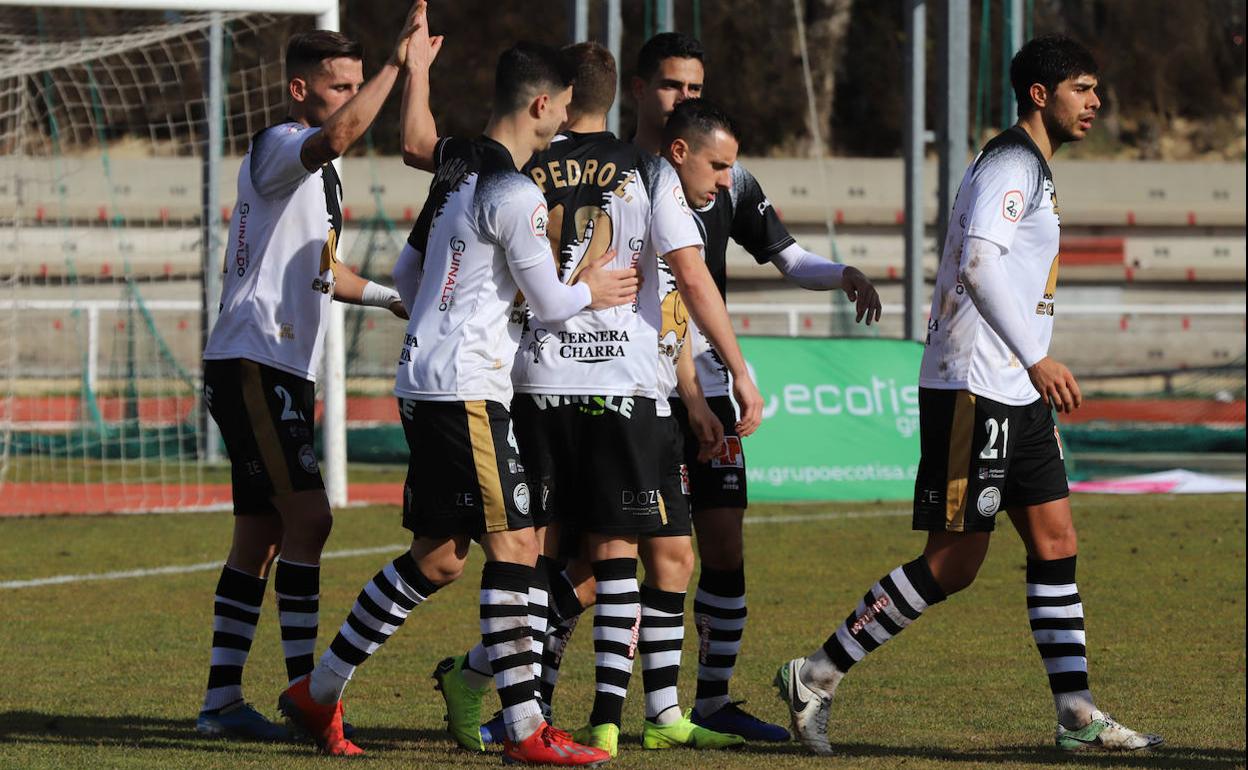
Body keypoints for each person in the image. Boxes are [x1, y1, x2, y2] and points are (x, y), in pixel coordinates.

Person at [774, 35, 1163, 756]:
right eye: (1084, 87)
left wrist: (1030, 369)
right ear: (1041, 95)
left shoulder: (1034, 169)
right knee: (954, 560)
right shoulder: (1010, 163)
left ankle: (1076, 715)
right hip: (973, 386)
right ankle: (817, 673)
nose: (1096, 101)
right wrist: (1037, 358)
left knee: (1057, 541)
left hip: (1014, 390)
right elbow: (979, 266)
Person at [277, 18, 636, 764]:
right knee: (515, 546)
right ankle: (525, 728)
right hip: (467, 389)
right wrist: (594, 288)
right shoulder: (513, 190)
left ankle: (319, 691)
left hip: (427, 379)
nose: (569, 121)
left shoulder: (459, 175)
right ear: (541, 107)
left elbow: (411, 276)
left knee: (439, 558)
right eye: (566, 107)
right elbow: (549, 302)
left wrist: (463, 301)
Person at [429, 42, 754, 758]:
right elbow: (690, 281)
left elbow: (426, 158)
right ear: (619, 93)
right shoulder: (647, 171)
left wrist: (413, 73)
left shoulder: (516, 163)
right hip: (619, 387)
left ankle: (566, 710)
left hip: (533, 382)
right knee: (616, 556)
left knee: (559, 560)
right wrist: (738, 371)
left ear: (557, 96)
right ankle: (588, 712)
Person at [629, 33, 882, 742]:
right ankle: (537, 694)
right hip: (640, 382)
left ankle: (707, 705)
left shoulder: (726, 175)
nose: (684, 99)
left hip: (706, 384)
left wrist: (842, 274)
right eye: (673, 86)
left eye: (695, 89)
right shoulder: (619, 174)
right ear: (641, 89)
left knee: (723, 545)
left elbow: (786, 254)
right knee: (605, 555)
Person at [195, 13, 420, 740]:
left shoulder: (320, 177)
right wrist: (398, 65)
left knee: (260, 535)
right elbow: (340, 134)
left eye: (357, 83)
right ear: (302, 90)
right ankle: (306, 699)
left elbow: (324, 272)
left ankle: (222, 704)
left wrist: (391, 297)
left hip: (278, 367)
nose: (352, 97)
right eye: (340, 86)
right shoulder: (282, 145)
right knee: (312, 519)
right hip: (254, 359)